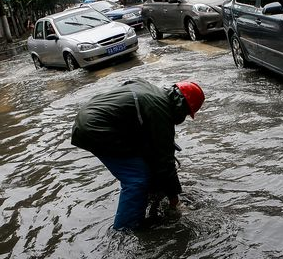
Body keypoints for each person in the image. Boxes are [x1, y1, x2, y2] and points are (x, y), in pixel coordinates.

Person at [71, 78, 205, 230]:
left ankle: (149, 196)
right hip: (95, 128)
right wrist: (175, 202)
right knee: (136, 179)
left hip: (89, 115)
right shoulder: (160, 111)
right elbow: (165, 162)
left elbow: (129, 83)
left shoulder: (151, 89)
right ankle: (125, 230)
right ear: (182, 107)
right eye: (187, 114)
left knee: (146, 158)